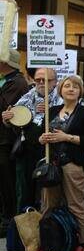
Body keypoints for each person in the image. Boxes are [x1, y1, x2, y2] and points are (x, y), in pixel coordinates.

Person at [38, 76, 84, 251]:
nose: (71, 89)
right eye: (67, 86)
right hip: (52, 165)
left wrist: (67, 137)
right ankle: (47, 242)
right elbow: (42, 135)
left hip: (74, 165)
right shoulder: (53, 110)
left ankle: (81, 244)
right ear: (60, 90)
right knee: (48, 205)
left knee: (76, 206)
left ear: (81, 91)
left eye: (75, 86)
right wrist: (42, 139)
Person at [3, 67, 62, 212]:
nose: (42, 83)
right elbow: (15, 122)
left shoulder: (61, 99)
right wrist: (7, 119)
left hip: (50, 152)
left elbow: (66, 122)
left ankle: (46, 228)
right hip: (26, 152)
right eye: (38, 80)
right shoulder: (26, 98)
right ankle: (24, 229)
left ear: (54, 82)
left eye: (46, 80)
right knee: (24, 192)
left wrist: (50, 111)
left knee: (45, 194)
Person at [0, 50, 29, 237]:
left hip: (6, 139)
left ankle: (8, 219)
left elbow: (6, 107)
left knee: (6, 181)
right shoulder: (8, 80)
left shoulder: (17, 82)